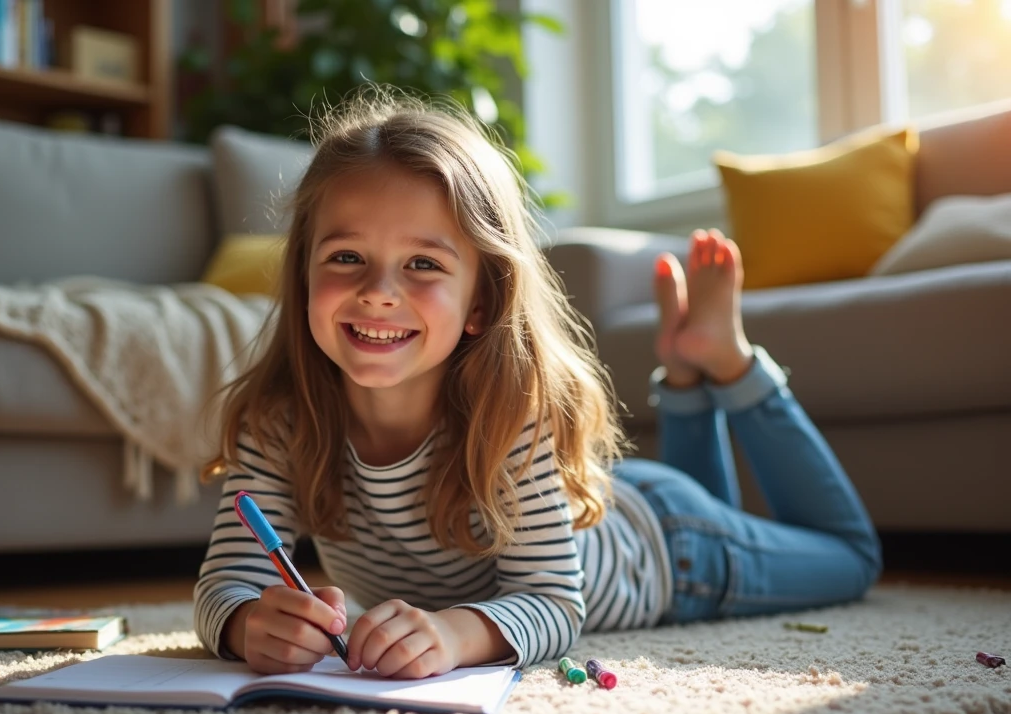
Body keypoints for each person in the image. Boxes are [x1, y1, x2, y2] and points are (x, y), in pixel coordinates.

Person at [194, 88, 882, 678]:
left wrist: (455, 635)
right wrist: (247, 622)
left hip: (673, 551)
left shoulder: (508, 408)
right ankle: (685, 372)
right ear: (304, 274)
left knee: (852, 559)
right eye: (347, 257)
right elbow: (224, 582)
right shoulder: (280, 421)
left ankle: (723, 363)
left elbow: (554, 603)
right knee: (723, 503)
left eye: (423, 266)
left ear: (481, 304)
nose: (378, 292)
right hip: (588, 508)